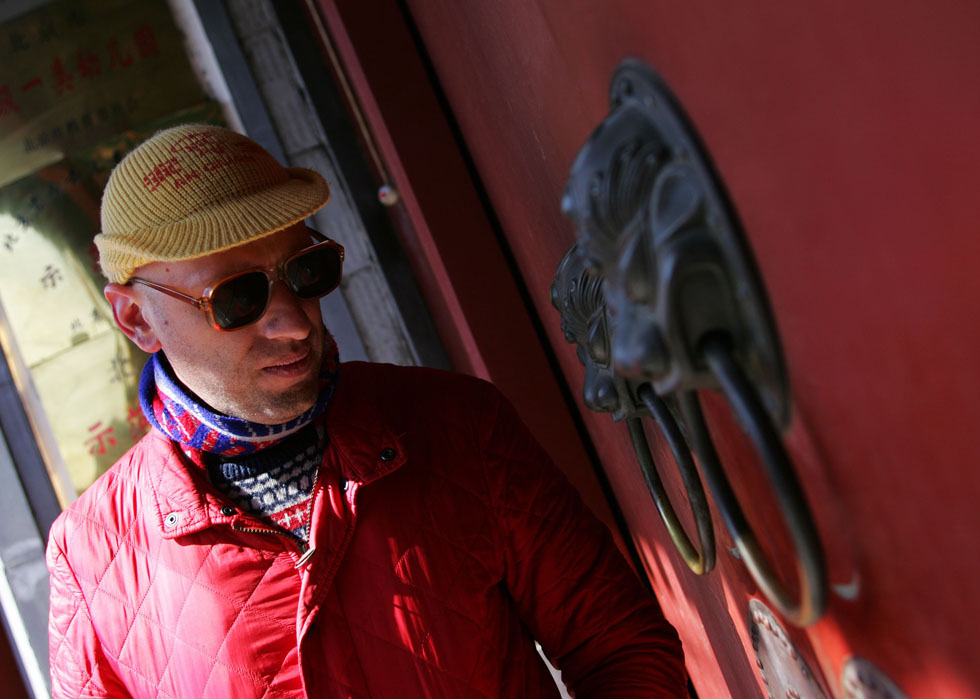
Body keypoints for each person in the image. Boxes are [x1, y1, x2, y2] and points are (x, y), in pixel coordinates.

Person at [45, 124, 686, 698]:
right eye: (236, 298)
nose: (294, 322)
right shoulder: (92, 552)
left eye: (305, 271)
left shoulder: (458, 423)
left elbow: (624, 650)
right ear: (135, 318)